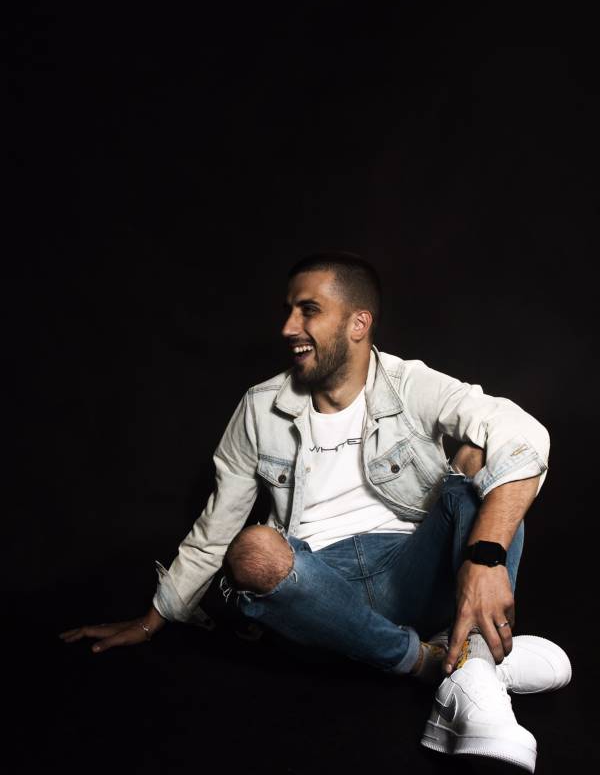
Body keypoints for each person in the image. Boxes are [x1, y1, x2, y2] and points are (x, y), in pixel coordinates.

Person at [60, 251, 571, 771]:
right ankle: (447, 664)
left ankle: (471, 664)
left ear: (358, 323)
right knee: (253, 551)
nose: (288, 327)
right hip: (319, 592)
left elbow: (523, 434)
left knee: (489, 462)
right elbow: (216, 529)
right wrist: (154, 620)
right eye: (288, 310)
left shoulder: (409, 383)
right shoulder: (260, 408)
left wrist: (485, 559)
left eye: (308, 310)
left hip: (414, 570)